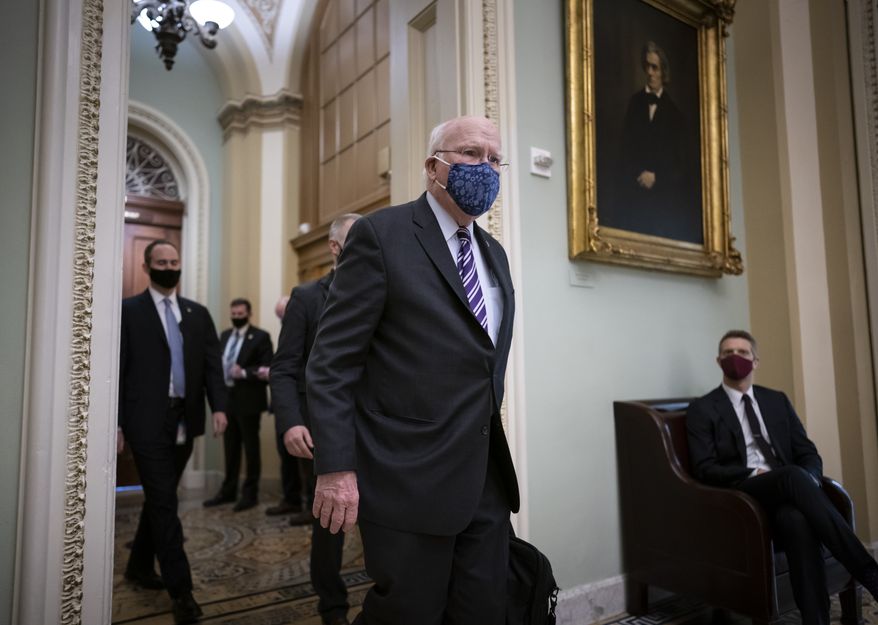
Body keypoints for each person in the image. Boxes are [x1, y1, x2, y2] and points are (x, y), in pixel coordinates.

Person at [305, 116, 520, 625]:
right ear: (433, 166)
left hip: (482, 474)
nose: (485, 168)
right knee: (408, 612)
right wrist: (336, 467)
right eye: (471, 153)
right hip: (405, 475)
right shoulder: (382, 235)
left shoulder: (495, 253)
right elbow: (331, 362)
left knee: (483, 610)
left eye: (495, 159)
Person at [686, 330, 878, 625]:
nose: (735, 358)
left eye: (743, 352)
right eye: (727, 353)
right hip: (743, 493)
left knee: (796, 519)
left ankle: (816, 620)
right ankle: (869, 572)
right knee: (790, 475)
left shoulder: (776, 400)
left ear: (756, 361)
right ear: (717, 360)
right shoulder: (703, 408)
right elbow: (704, 467)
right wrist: (753, 471)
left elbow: (808, 453)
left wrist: (810, 481)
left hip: (789, 493)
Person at [118, 239, 227, 624]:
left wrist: (220, 409)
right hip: (145, 420)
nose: (169, 266)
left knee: (159, 498)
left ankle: (138, 568)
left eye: (174, 260)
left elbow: (213, 366)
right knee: (165, 502)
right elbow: (118, 369)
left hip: (185, 420)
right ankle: (182, 592)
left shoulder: (197, 313)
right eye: (161, 261)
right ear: (147, 267)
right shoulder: (128, 311)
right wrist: (115, 423)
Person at [270, 213, 362, 625]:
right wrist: (290, 421)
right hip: (322, 427)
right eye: (354, 240)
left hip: (377, 426)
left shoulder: (383, 290)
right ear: (334, 246)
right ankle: (332, 605)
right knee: (328, 523)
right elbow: (285, 367)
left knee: (383, 519)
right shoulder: (306, 297)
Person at [613, 40, 699, 242]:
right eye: (647, 66)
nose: (650, 72)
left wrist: (657, 177)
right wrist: (638, 173)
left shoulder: (676, 115)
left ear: (664, 72)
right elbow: (624, 150)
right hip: (633, 196)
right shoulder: (634, 104)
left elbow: (682, 165)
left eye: (655, 67)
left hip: (663, 203)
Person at [203, 298, 273, 511]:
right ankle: (228, 490)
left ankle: (250, 494)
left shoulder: (261, 337)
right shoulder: (225, 335)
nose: (236, 318)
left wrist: (243, 372)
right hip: (227, 400)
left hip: (249, 400)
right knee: (230, 448)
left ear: (249, 314)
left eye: (240, 314)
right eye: (233, 314)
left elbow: (269, 366)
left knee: (251, 449)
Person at [265, 294, 308, 517]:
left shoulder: (307, 311)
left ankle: (309, 506)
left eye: (285, 315)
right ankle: (291, 499)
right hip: (285, 407)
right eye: (280, 317)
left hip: (305, 403)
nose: (284, 319)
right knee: (286, 457)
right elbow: (282, 366)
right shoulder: (288, 326)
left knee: (307, 463)